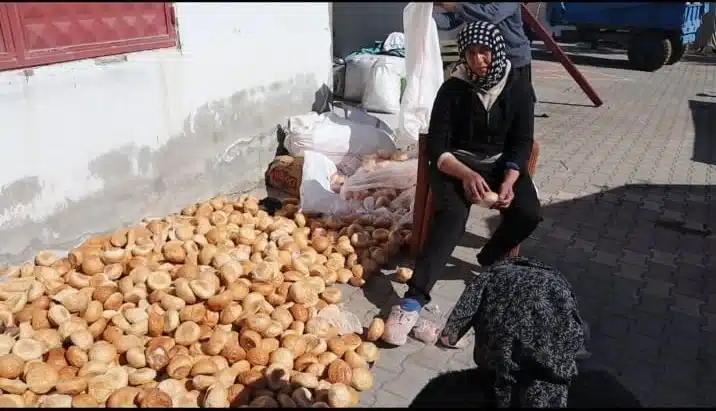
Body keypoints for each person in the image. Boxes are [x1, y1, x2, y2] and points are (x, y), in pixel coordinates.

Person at [381, 21, 541, 346]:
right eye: (471, 52)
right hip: (456, 164)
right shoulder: (453, 89)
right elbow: (438, 148)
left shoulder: (519, 88)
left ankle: (489, 257)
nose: (478, 59)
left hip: (499, 164)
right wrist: (467, 175)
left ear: (496, 50)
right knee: (452, 218)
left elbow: (522, 142)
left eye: (484, 51)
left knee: (528, 212)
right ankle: (412, 300)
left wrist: (510, 180)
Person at [434, 2, 535, 99]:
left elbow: (490, 15)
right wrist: (425, 13)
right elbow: (450, 20)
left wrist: (457, 7)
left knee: (517, 102)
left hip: (514, 62)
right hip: (486, 62)